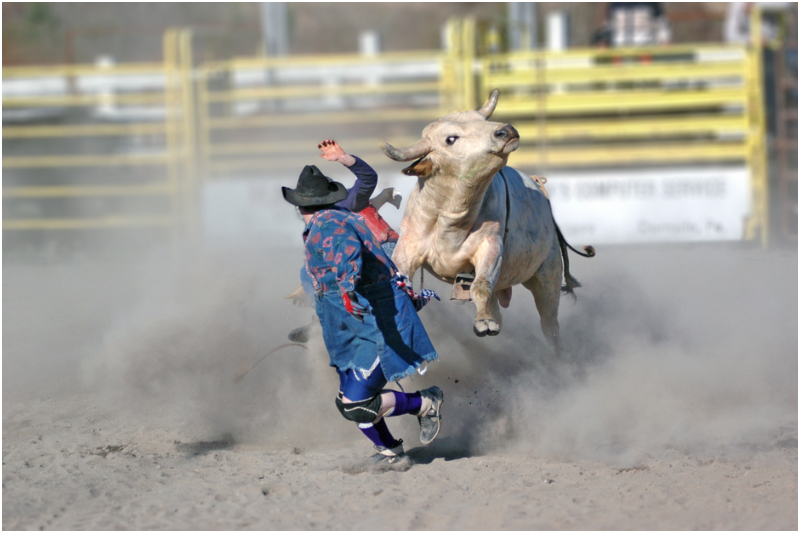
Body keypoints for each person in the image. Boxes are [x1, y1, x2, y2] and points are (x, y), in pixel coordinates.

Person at [281, 165, 443, 465]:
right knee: (349, 401)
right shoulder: (328, 220)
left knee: (355, 403)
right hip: (352, 326)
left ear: (301, 205)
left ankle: (424, 402)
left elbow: (348, 253)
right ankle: (389, 451)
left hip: (377, 324)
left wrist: (344, 287)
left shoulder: (328, 222)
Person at [288, 140, 400, 343]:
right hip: (356, 259)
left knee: (309, 271)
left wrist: (344, 158)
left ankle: (328, 315)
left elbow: (368, 179)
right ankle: (323, 315)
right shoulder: (316, 228)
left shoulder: (346, 203)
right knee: (307, 271)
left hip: (382, 249)